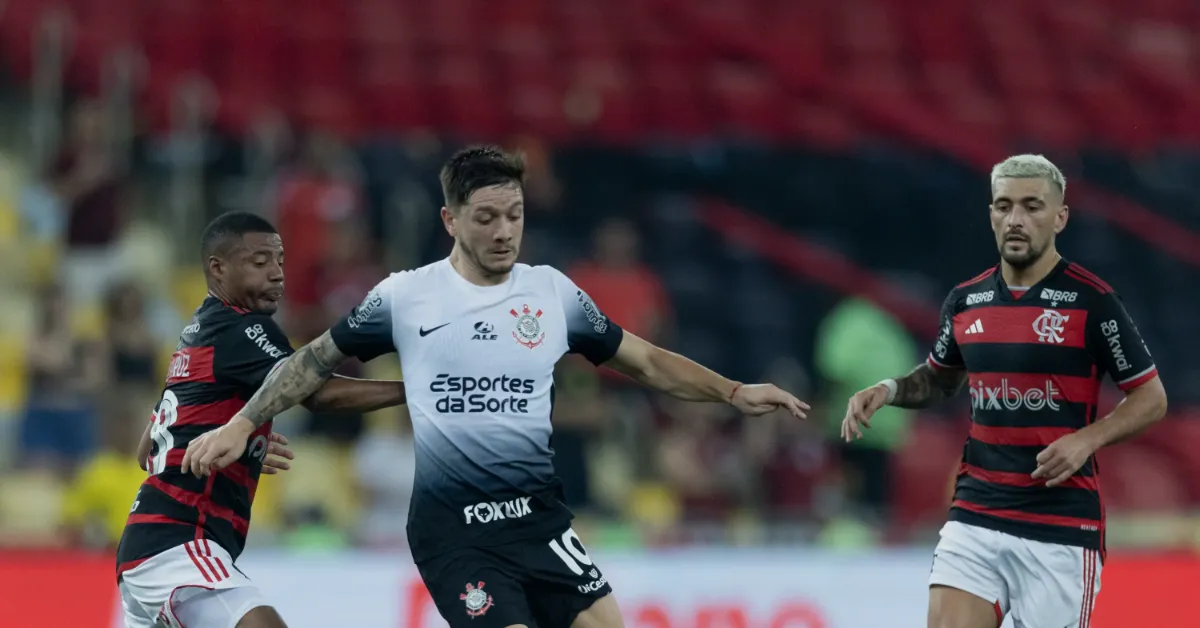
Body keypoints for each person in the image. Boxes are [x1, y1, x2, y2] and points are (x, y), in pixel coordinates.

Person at [184, 147, 810, 628]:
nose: (504, 231)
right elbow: (311, 363)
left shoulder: (552, 293)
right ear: (450, 220)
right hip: (454, 530)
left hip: (538, 518)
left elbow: (642, 361)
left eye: (513, 215)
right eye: (486, 218)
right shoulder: (405, 296)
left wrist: (732, 392)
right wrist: (242, 423)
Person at [841, 154, 1168, 628]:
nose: (1015, 219)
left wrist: (1086, 439)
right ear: (991, 213)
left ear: (1060, 217)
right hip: (975, 515)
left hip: (1058, 528)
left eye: (1032, 206)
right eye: (1003, 206)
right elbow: (941, 377)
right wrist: (889, 389)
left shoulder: (1093, 301)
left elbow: (1151, 397)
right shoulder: (965, 300)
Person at [116, 212, 408, 628]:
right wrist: (416, 390)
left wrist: (240, 439)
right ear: (218, 268)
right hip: (178, 539)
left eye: (280, 262)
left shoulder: (196, 331)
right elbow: (318, 395)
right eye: (259, 262)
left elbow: (148, 451)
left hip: (146, 546)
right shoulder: (244, 328)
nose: (276, 275)